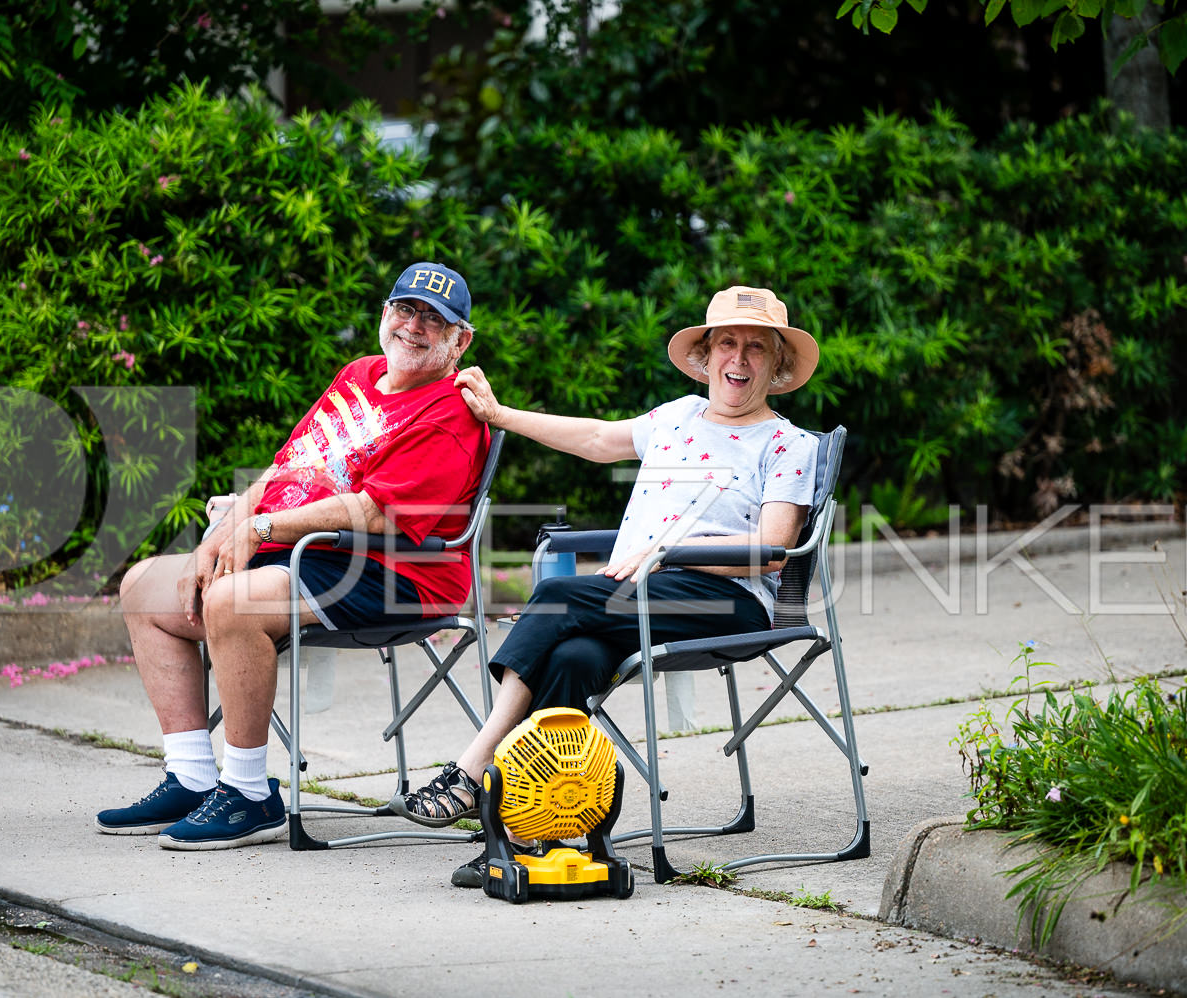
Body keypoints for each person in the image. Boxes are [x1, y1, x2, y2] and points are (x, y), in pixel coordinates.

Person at [391, 285, 821, 887]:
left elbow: (772, 551)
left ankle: (472, 769)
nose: (739, 360)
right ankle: (533, 831)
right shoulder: (675, 416)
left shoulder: (788, 443)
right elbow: (596, 439)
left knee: (559, 596)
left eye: (757, 348)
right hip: (641, 595)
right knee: (571, 655)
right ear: (706, 355)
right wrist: (498, 415)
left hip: (728, 602)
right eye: (727, 343)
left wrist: (669, 550)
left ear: (777, 367)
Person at [95, 261, 489, 850]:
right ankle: (192, 776)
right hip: (305, 551)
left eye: (435, 320)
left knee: (234, 600)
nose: (415, 326)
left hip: (399, 570)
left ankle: (251, 794)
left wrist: (263, 525)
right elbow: (288, 465)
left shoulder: (450, 411)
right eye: (406, 310)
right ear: (384, 314)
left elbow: (379, 513)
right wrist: (226, 530)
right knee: (143, 587)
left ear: (461, 340)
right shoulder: (359, 373)